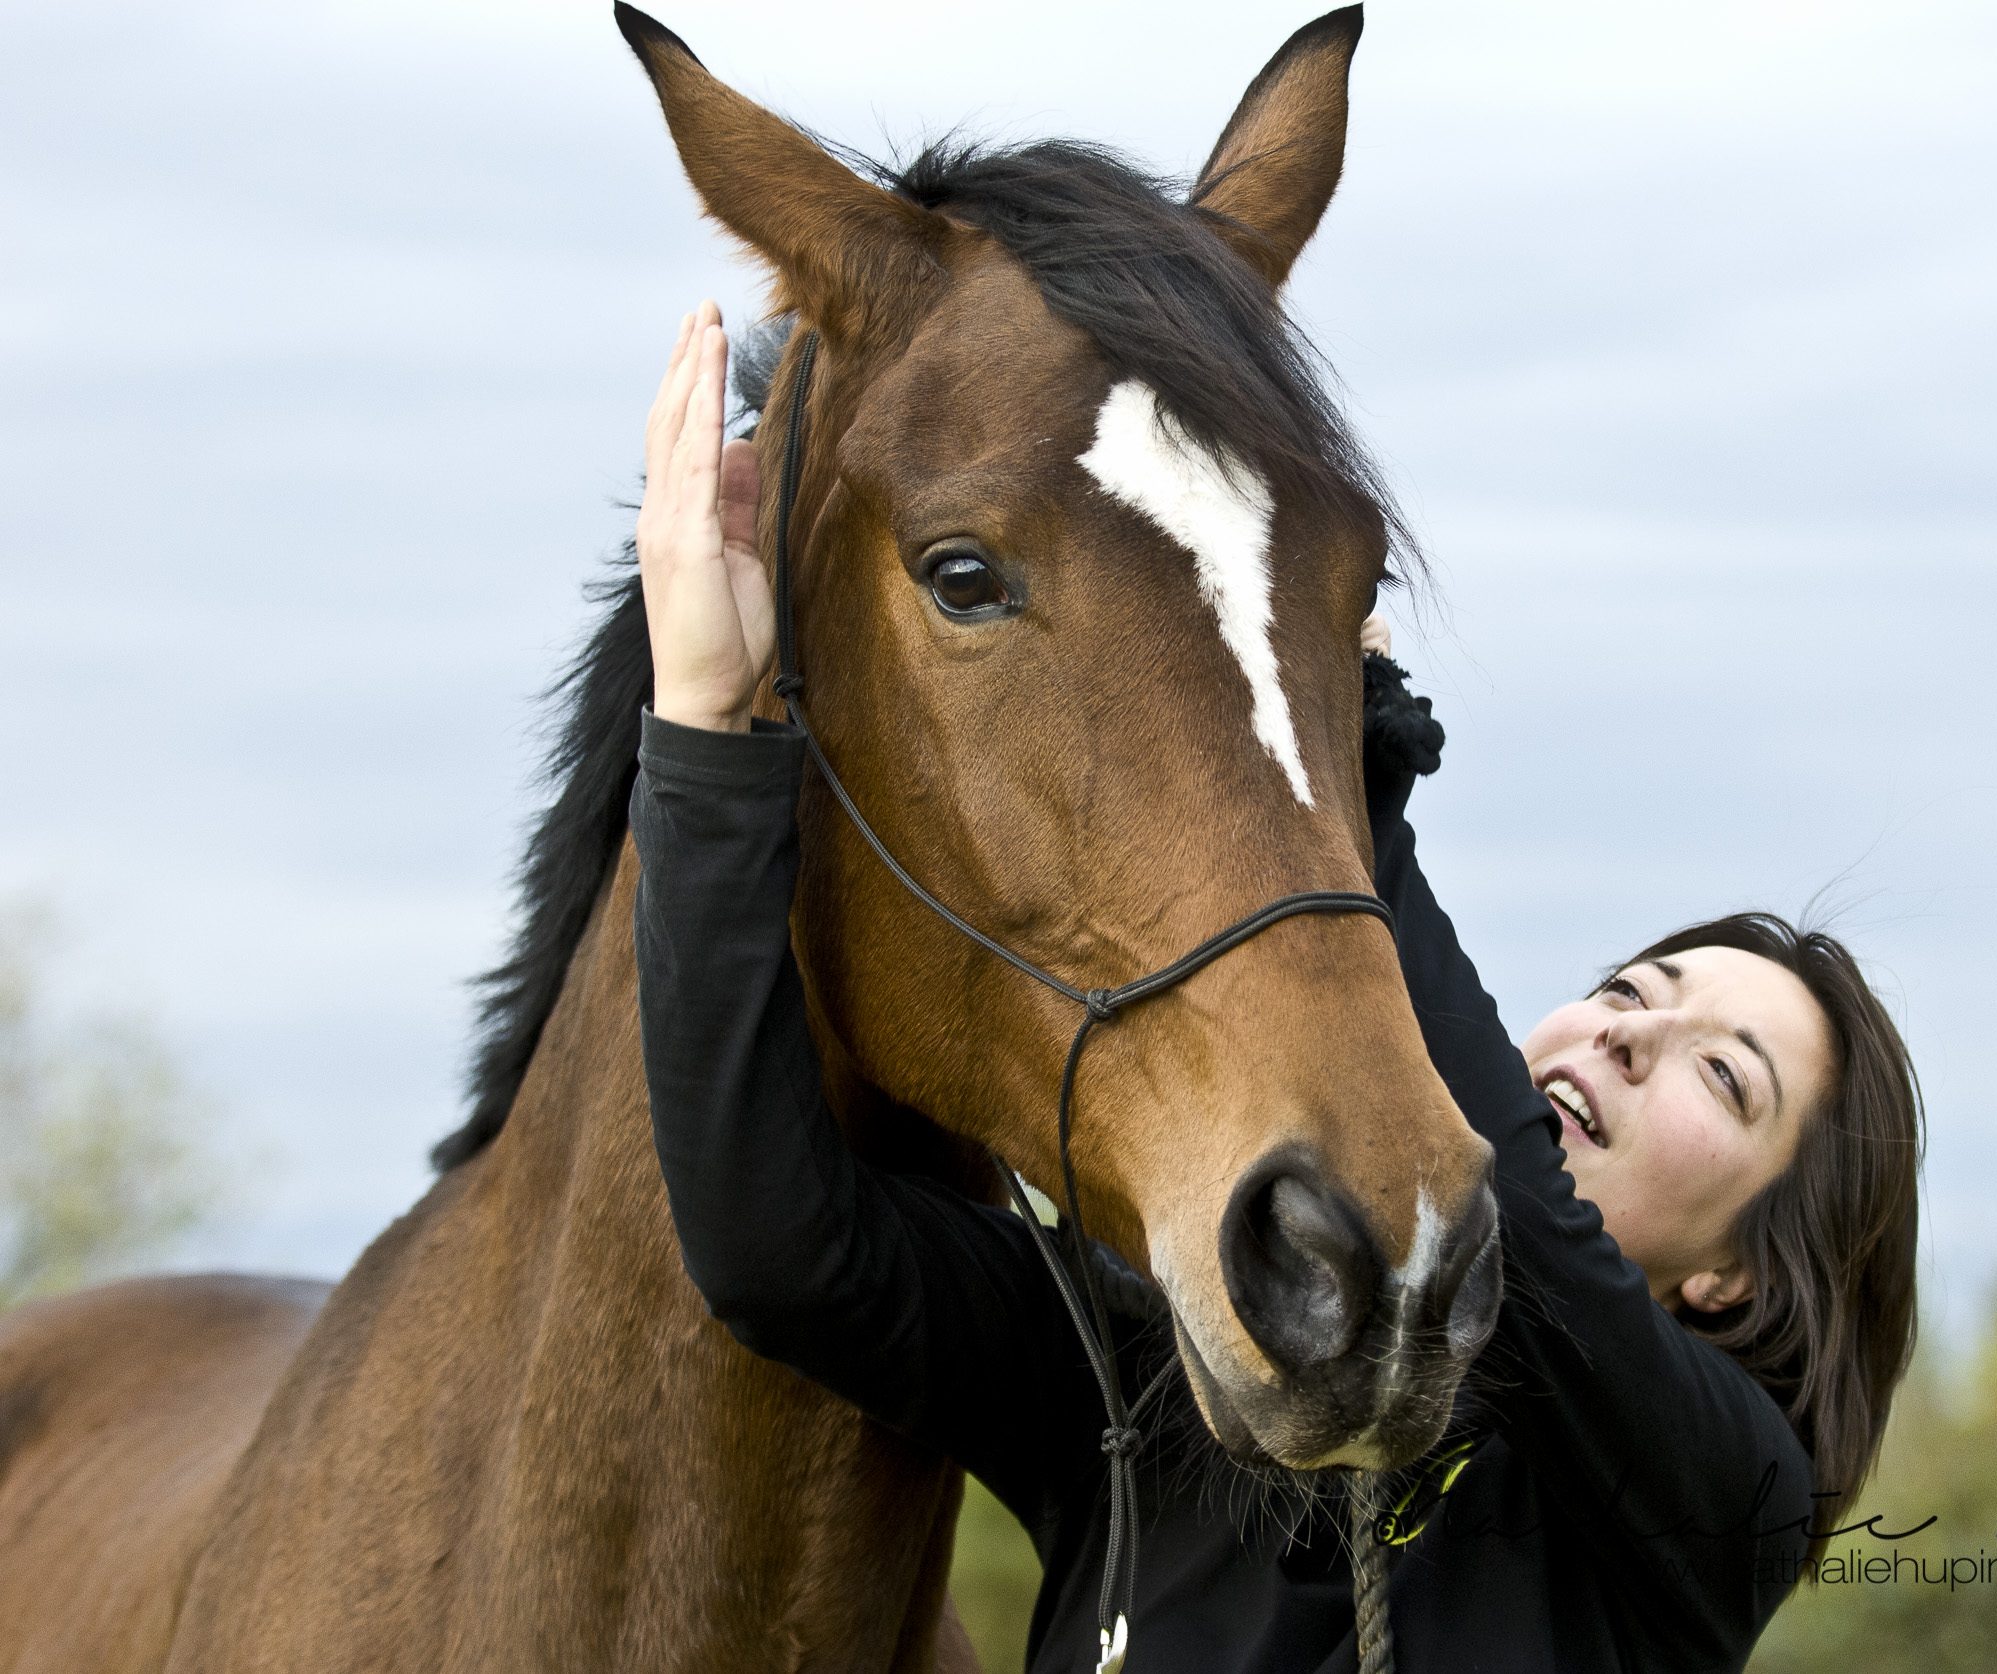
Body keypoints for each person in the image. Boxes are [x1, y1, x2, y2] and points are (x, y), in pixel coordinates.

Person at [632, 304, 1924, 1672]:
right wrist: (707, 720)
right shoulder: (1151, 1370)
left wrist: (1364, 791)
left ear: (1732, 1276)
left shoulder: (1728, 1510)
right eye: (1629, 989)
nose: (1628, 1032)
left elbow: (1533, 1236)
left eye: (1723, 1072)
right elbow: (780, 1247)